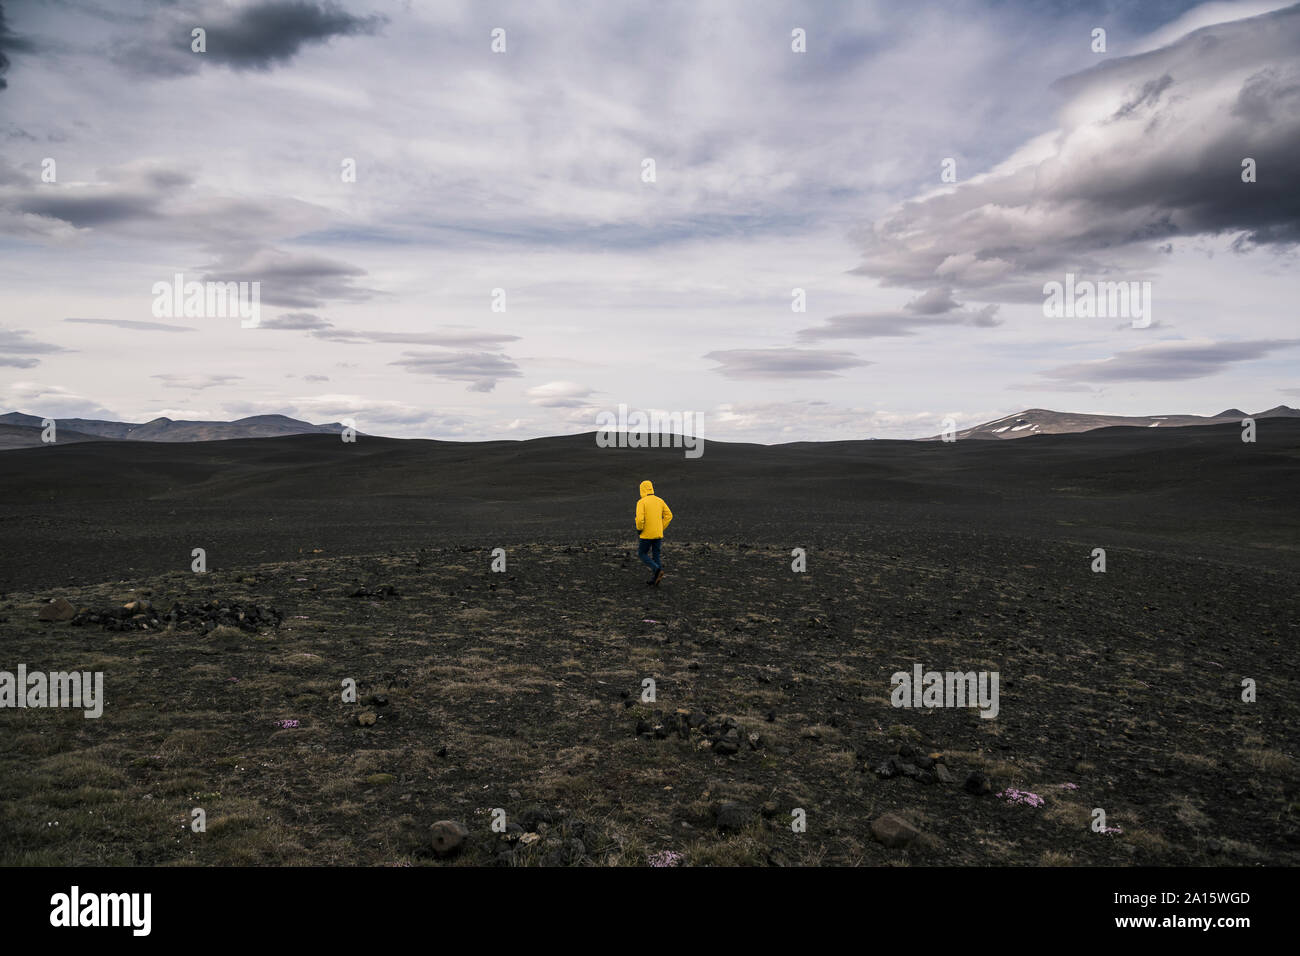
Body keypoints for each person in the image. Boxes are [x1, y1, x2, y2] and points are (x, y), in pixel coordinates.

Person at [635, 479, 673, 586]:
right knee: (656, 555)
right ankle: (655, 578)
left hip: (646, 534)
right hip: (658, 534)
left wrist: (639, 529)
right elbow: (669, 515)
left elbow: (639, 519)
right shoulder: (660, 500)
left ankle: (656, 569)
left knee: (642, 553)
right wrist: (661, 527)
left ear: (641, 489)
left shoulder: (641, 502)